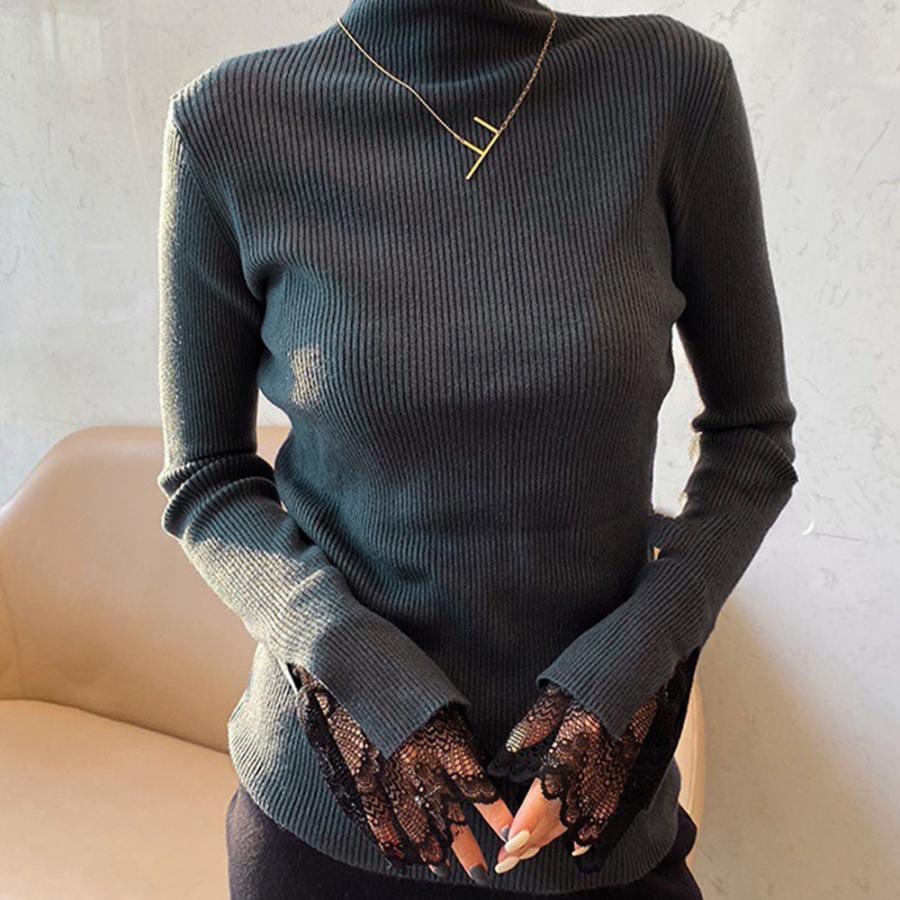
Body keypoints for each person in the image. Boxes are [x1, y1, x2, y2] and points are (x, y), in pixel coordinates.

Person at [155, 0, 799, 895]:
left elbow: (752, 439)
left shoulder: (670, 87)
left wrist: (634, 659)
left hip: (593, 820)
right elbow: (207, 478)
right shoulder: (228, 123)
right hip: (329, 823)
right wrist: (357, 669)